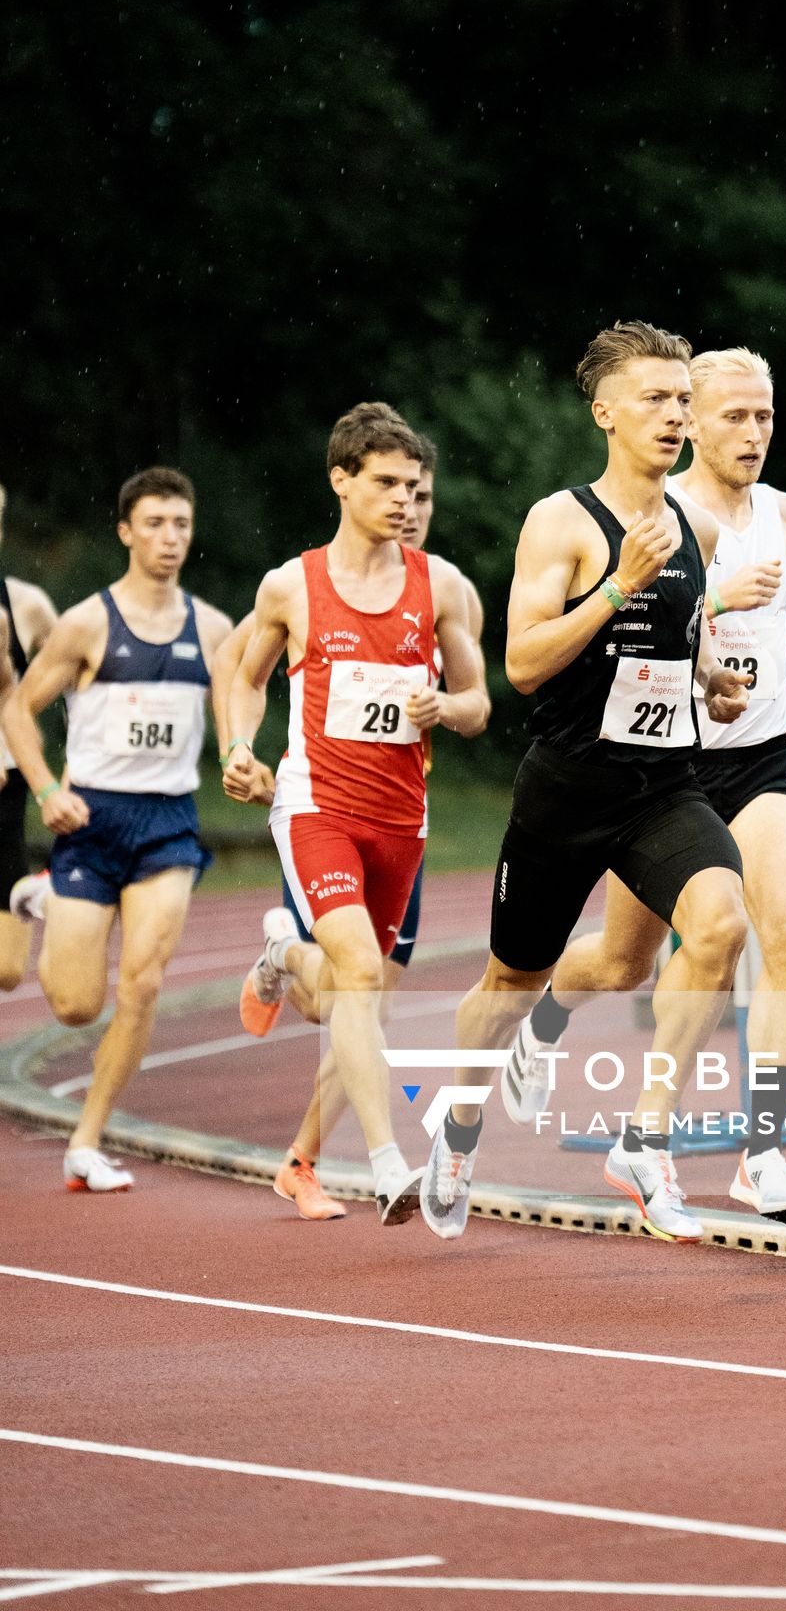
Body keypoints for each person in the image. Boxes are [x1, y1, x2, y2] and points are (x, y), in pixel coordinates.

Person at [419, 319, 751, 1244]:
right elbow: (524, 665)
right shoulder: (562, 521)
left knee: (722, 925)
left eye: (684, 399)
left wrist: (709, 683)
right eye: (655, 398)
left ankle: (644, 1141)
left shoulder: (700, 525)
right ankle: (459, 1123)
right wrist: (613, 586)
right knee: (508, 980)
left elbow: (664, 653)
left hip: (663, 788)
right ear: (605, 412)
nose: (675, 415)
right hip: (566, 793)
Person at [501, 346, 786, 1225]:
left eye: (765, 416)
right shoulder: (660, 513)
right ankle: (544, 1020)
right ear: (691, 422)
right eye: (733, 415)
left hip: (760, 747)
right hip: (668, 764)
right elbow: (664, 619)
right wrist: (718, 605)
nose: (752, 432)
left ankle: (757, 1152)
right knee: (624, 962)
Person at [222, 403, 487, 1228]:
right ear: (341, 480)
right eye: (387, 484)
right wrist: (238, 744)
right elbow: (244, 673)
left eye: (414, 487)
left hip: (402, 822)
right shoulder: (289, 586)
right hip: (315, 807)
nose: (405, 501)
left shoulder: (442, 585)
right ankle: (385, 1166)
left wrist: (448, 704)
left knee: (339, 1001)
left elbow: (483, 703)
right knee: (362, 984)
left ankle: (279, 957)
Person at [1, 468, 231, 1191]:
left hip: (168, 823)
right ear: (126, 531)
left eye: (182, 525)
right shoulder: (86, 624)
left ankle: (87, 1140)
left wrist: (245, 762)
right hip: (91, 819)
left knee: (144, 983)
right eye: (156, 524)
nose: (170, 538)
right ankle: (39, 895)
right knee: (75, 1005)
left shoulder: (215, 628)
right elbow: (15, 710)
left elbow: (236, 720)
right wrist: (43, 788)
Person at [0, 483, 58, 986]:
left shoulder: (26, 606)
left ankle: (28, 891)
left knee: (6, 970)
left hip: (7, 783)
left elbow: (79, 679)